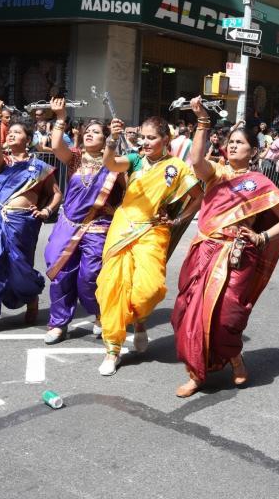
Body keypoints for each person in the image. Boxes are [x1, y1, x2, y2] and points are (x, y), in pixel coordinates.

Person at [172, 98, 279, 397]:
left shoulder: (260, 183)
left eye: (241, 143)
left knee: (228, 316)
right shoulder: (215, 174)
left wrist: (262, 238)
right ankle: (196, 374)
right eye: (231, 141)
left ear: (253, 152)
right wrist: (202, 122)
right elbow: (196, 161)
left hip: (238, 255)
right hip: (204, 250)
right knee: (189, 311)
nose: (234, 146)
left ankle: (234, 356)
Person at [94, 115, 201, 376]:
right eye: (143, 137)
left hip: (153, 230)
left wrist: (177, 219)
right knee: (113, 286)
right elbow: (110, 163)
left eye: (151, 137)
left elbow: (197, 197)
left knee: (150, 289)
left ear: (166, 139)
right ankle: (112, 349)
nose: (145, 142)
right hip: (123, 227)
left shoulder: (177, 167)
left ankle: (140, 321)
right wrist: (112, 139)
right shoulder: (134, 160)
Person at [0, 98, 61, 337]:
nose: (11, 135)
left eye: (17, 132)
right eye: (10, 132)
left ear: (28, 139)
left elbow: (55, 195)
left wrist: (46, 211)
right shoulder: (2, 163)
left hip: (23, 224)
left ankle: (31, 296)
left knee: (20, 268)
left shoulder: (41, 168)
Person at [41, 98, 124, 345]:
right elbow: (56, 146)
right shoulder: (75, 158)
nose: (89, 135)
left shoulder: (114, 164)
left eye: (96, 132)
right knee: (61, 272)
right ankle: (58, 323)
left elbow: (128, 194)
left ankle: (99, 313)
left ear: (106, 137)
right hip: (68, 222)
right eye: (87, 131)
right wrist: (60, 117)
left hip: (98, 226)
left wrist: (115, 208)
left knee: (89, 276)